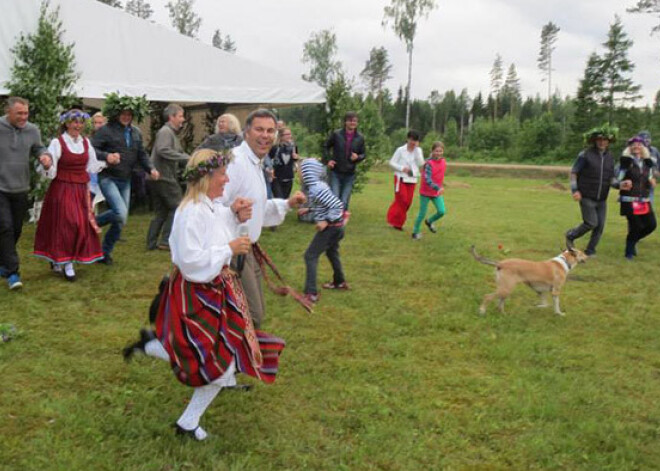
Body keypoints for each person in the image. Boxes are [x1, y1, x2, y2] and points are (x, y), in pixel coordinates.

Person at [122, 148, 285, 441]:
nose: (226, 180)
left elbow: (223, 224)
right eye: (222, 174)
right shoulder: (190, 213)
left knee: (223, 357)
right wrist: (228, 250)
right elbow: (189, 261)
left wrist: (236, 214)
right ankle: (186, 418)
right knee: (218, 361)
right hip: (197, 293)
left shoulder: (211, 205)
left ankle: (156, 350)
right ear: (206, 178)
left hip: (217, 289)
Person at [220, 109, 307, 328]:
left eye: (271, 131)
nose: (265, 135)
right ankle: (216, 352)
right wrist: (232, 211)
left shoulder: (256, 162)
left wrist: (286, 204)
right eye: (259, 129)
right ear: (246, 132)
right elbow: (210, 206)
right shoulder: (236, 162)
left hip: (247, 247)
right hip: (231, 250)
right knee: (251, 315)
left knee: (253, 314)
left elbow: (256, 208)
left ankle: (232, 355)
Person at [33, 109, 106, 281]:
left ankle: (65, 260)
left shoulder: (86, 143)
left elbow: (92, 166)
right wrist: (46, 165)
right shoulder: (57, 143)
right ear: (66, 123)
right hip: (62, 188)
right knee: (67, 224)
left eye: (80, 122)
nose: (77, 125)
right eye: (74, 122)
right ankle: (66, 262)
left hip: (81, 189)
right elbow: (51, 170)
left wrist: (108, 161)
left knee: (80, 224)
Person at [92, 94, 160, 265]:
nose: (126, 116)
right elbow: (91, 149)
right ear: (116, 114)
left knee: (121, 220)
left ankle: (103, 252)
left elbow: (141, 154)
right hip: (108, 177)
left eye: (129, 114)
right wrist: (107, 156)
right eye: (123, 113)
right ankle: (91, 224)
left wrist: (150, 168)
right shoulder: (105, 130)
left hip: (125, 179)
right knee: (120, 214)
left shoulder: (136, 132)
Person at [0, 97, 52, 290]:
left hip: (20, 187)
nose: (23, 117)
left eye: (26, 113)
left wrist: (44, 156)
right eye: (19, 113)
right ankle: (13, 273)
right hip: (0, 188)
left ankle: (3, 263)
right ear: (9, 112)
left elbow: (38, 148)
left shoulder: (32, 130)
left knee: (15, 230)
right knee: (4, 227)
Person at [298, 159, 349, 304]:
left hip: (331, 228)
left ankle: (311, 293)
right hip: (337, 227)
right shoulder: (318, 186)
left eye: (301, 170)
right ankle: (339, 282)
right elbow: (325, 205)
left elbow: (337, 206)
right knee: (332, 252)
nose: (298, 173)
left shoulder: (316, 188)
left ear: (308, 172)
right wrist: (309, 209)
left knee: (310, 255)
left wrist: (326, 221)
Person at [565, 126, 618, 256]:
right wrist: (575, 190)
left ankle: (590, 250)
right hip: (586, 195)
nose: (602, 142)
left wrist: (621, 185)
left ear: (608, 142)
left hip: (602, 198)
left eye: (605, 140)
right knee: (591, 223)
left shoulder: (610, 157)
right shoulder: (585, 155)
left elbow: (611, 178)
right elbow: (574, 172)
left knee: (599, 226)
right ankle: (570, 235)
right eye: (599, 139)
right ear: (594, 140)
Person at [146, 104, 190, 251]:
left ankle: (151, 243)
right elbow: (163, 150)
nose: (183, 119)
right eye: (180, 116)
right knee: (178, 207)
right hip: (164, 176)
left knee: (162, 211)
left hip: (157, 177)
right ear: (171, 117)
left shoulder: (168, 132)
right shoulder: (166, 132)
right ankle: (165, 241)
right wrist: (186, 158)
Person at [617, 136, 657, 260]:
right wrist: (622, 184)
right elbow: (617, 178)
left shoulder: (647, 163)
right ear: (629, 147)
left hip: (644, 200)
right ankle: (629, 253)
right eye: (633, 144)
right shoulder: (625, 162)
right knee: (635, 226)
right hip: (629, 199)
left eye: (639, 145)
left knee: (651, 225)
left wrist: (652, 182)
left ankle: (632, 242)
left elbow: (649, 178)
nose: (636, 147)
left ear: (643, 147)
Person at [322, 111, 366, 210]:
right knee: (334, 198)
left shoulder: (360, 138)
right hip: (336, 171)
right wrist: (328, 160)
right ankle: (333, 220)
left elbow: (364, 154)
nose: (352, 123)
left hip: (350, 173)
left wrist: (357, 157)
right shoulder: (337, 134)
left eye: (355, 121)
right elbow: (325, 146)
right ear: (345, 122)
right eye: (350, 121)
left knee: (344, 201)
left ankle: (340, 222)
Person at [386, 130, 425, 231]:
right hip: (400, 177)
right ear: (407, 139)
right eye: (411, 140)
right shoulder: (400, 150)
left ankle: (392, 216)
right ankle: (398, 223)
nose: (413, 142)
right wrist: (402, 168)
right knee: (403, 200)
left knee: (408, 202)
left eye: (415, 140)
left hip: (412, 178)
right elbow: (391, 163)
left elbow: (421, 163)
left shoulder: (418, 150)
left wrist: (417, 151)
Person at [412, 141, 447, 240]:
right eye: (436, 151)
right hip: (426, 192)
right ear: (432, 151)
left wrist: (441, 185)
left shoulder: (443, 161)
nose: (438, 153)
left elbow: (440, 175)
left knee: (441, 211)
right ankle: (415, 232)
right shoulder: (428, 164)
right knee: (422, 213)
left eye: (440, 151)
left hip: (436, 192)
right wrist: (438, 187)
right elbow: (427, 179)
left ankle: (430, 221)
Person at [269, 127, 299, 199]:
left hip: (289, 177)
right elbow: (268, 159)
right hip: (276, 177)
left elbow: (294, 159)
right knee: (279, 199)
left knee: (285, 200)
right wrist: (270, 169)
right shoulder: (275, 147)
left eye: (290, 134)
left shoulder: (293, 147)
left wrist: (296, 158)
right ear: (281, 136)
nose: (289, 136)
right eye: (287, 134)